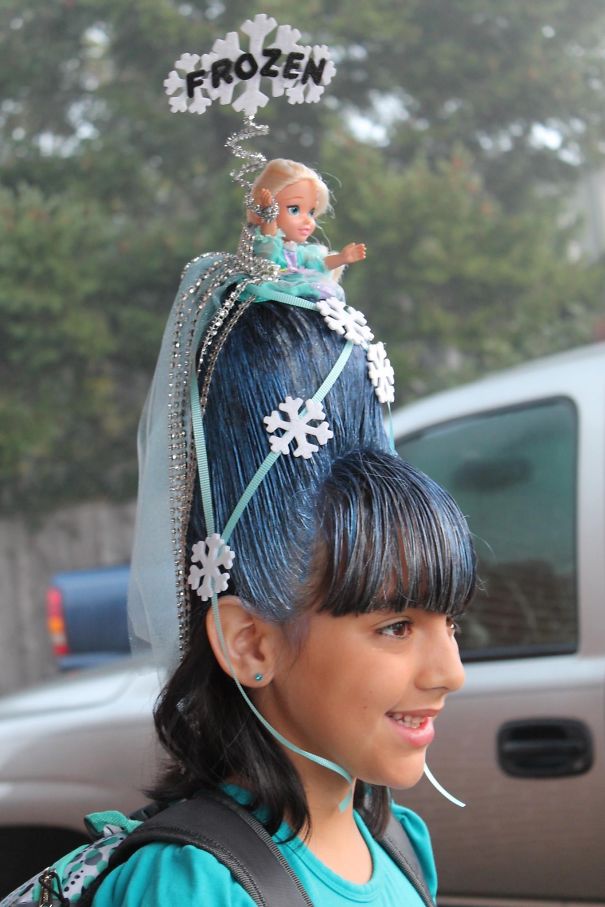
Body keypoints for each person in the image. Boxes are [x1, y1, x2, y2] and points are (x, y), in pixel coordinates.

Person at [91, 234, 476, 904]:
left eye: (451, 623)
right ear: (250, 642)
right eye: (395, 625)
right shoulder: (192, 886)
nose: (449, 672)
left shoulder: (398, 846)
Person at [249, 158, 366, 301]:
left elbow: (319, 264)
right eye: (294, 209)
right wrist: (269, 214)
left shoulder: (299, 253)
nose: (308, 221)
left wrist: (342, 258)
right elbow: (268, 248)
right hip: (270, 289)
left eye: (311, 212)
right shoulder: (268, 246)